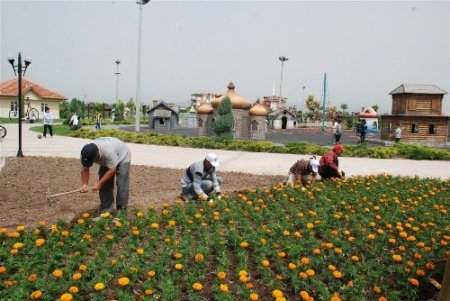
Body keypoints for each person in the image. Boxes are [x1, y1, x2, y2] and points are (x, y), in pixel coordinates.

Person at [80, 137, 131, 216]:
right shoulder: (85, 153)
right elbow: (85, 169)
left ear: (97, 154)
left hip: (122, 156)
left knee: (121, 184)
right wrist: (84, 184)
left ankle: (122, 213)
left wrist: (99, 183)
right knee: (105, 185)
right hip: (108, 159)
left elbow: (112, 170)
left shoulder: (108, 152)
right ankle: (105, 212)